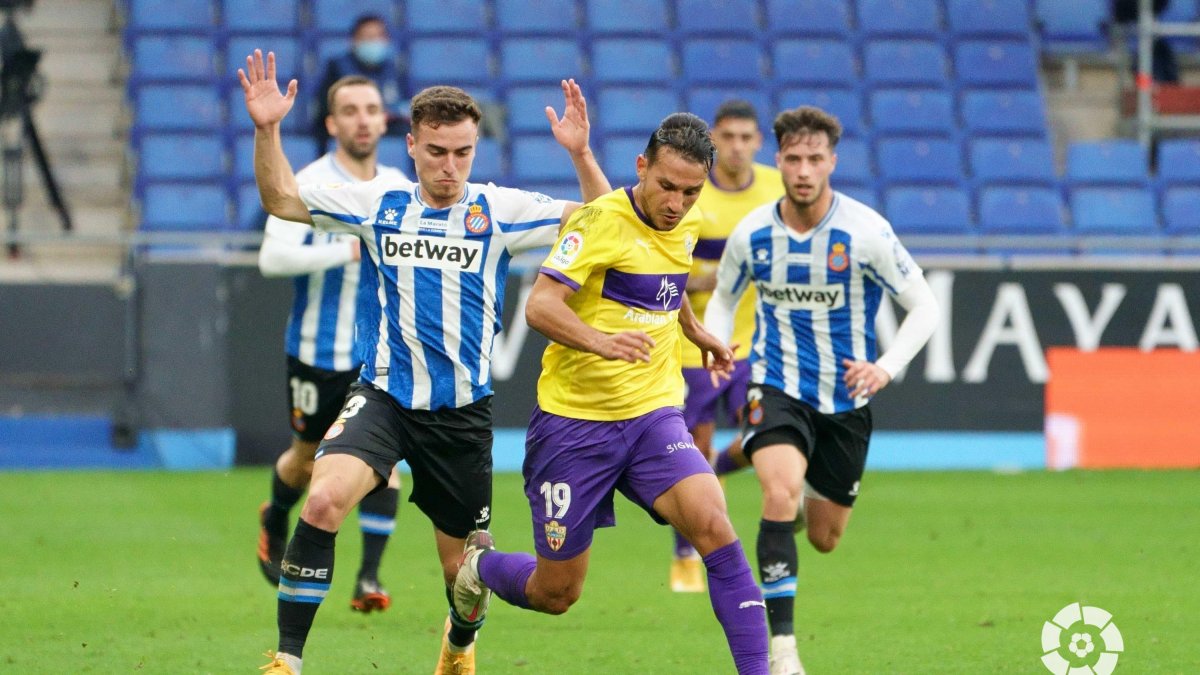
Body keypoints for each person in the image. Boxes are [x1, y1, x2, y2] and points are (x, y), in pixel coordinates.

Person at [239, 49, 611, 675]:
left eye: (462, 152)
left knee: (463, 569)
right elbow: (280, 198)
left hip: (461, 415)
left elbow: (607, 223)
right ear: (410, 145)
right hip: (383, 396)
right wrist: (267, 128)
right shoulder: (376, 205)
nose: (450, 165)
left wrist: (579, 154)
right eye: (437, 151)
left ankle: (458, 648)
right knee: (324, 500)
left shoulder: (498, 211)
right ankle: (287, 659)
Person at [451, 113, 770, 675]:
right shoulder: (598, 221)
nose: (677, 202)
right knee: (557, 593)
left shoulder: (686, 224)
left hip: (651, 418)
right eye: (667, 186)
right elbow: (540, 305)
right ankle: (479, 566)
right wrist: (602, 342)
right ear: (641, 167)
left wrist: (692, 329)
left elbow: (664, 278)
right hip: (573, 427)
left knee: (715, 527)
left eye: (691, 191)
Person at [703, 106, 940, 675]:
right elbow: (724, 296)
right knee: (780, 493)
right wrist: (716, 341)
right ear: (778, 161)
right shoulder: (754, 233)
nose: (804, 170)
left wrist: (885, 366)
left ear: (832, 161)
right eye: (793, 158)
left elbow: (924, 306)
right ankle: (781, 652)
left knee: (825, 537)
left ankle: (742, 451)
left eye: (815, 159)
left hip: (845, 402)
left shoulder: (866, 232)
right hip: (775, 382)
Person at [256, 75, 408, 614]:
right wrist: (341, 252)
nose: (363, 119)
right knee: (304, 460)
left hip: (380, 356)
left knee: (388, 463)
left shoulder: (398, 184)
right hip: (317, 352)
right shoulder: (309, 181)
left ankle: (368, 577)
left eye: (372, 108)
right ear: (332, 123)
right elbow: (271, 260)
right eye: (350, 110)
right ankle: (275, 515)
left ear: (384, 119)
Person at [669, 99, 784, 594]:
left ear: (759, 143)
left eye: (746, 137)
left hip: (755, 342)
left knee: (765, 439)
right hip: (693, 343)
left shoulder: (777, 189)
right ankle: (684, 556)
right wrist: (707, 276)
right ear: (715, 140)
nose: (737, 146)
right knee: (693, 446)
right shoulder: (690, 190)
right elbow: (663, 257)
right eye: (729, 137)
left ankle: (703, 477)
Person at [312, 14, 409, 158]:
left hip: (386, 126)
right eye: (367, 37)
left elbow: (406, 103)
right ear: (353, 41)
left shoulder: (394, 69)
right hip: (347, 127)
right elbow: (324, 108)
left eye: (378, 37)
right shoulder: (336, 67)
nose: (373, 42)